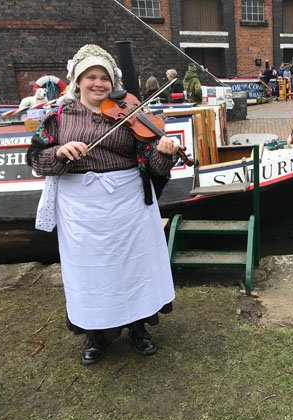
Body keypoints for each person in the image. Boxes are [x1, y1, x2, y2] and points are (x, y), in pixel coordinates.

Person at [26, 44, 178, 365]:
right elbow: (37, 159)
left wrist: (164, 154)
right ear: (77, 80)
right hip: (80, 207)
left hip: (128, 202)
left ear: (113, 81)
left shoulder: (132, 113)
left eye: (104, 78)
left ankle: (138, 328)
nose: (98, 84)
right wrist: (59, 153)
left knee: (134, 267)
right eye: (90, 77)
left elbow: (151, 164)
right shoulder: (57, 115)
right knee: (90, 272)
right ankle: (95, 334)